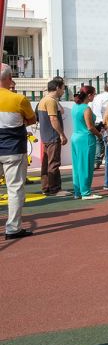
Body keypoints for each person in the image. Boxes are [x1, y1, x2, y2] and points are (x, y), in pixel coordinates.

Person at [0, 64, 38, 239]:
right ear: (8, 79)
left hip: (11, 147)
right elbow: (31, 119)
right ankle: (13, 228)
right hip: (13, 148)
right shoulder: (18, 99)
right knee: (14, 189)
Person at [37, 77, 69, 197]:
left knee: (46, 163)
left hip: (46, 136)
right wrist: (62, 134)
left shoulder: (45, 100)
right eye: (62, 88)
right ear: (57, 88)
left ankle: (46, 187)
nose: (63, 91)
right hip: (52, 136)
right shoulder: (50, 101)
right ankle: (55, 189)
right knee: (54, 163)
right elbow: (53, 118)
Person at [70, 86, 103, 200]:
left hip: (75, 137)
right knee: (86, 166)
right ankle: (86, 192)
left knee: (77, 166)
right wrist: (99, 135)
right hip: (86, 139)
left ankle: (78, 192)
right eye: (94, 94)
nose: (94, 96)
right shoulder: (86, 108)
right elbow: (90, 127)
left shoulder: (75, 106)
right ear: (89, 95)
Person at [91, 81, 108, 178]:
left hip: (99, 123)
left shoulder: (98, 97)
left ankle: (96, 161)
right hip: (106, 124)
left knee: (99, 143)